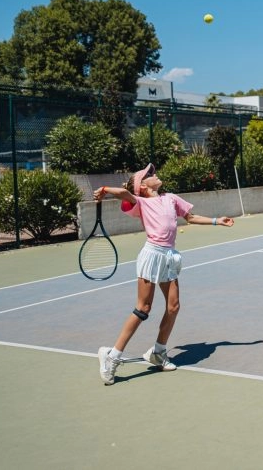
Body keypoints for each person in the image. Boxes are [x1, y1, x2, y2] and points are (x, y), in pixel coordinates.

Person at [92, 163, 234, 386]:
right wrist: (105, 189)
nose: (154, 175)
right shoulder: (141, 201)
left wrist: (218, 220)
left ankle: (158, 352)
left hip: (169, 256)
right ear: (144, 187)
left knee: (173, 306)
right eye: (149, 175)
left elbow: (191, 217)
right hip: (152, 254)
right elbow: (124, 193)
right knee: (143, 308)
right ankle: (112, 356)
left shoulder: (171, 198)